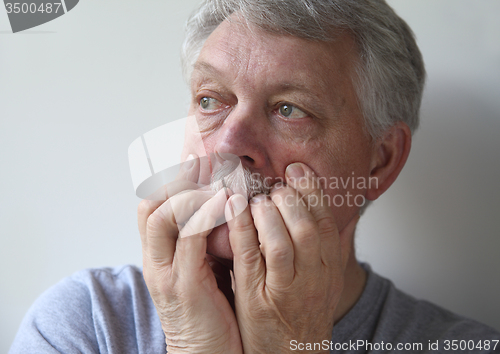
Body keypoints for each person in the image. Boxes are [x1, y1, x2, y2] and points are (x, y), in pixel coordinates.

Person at [10, 0, 500, 353]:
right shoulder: (86, 324)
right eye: (210, 100)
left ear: (380, 161)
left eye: (290, 109)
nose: (227, 144)